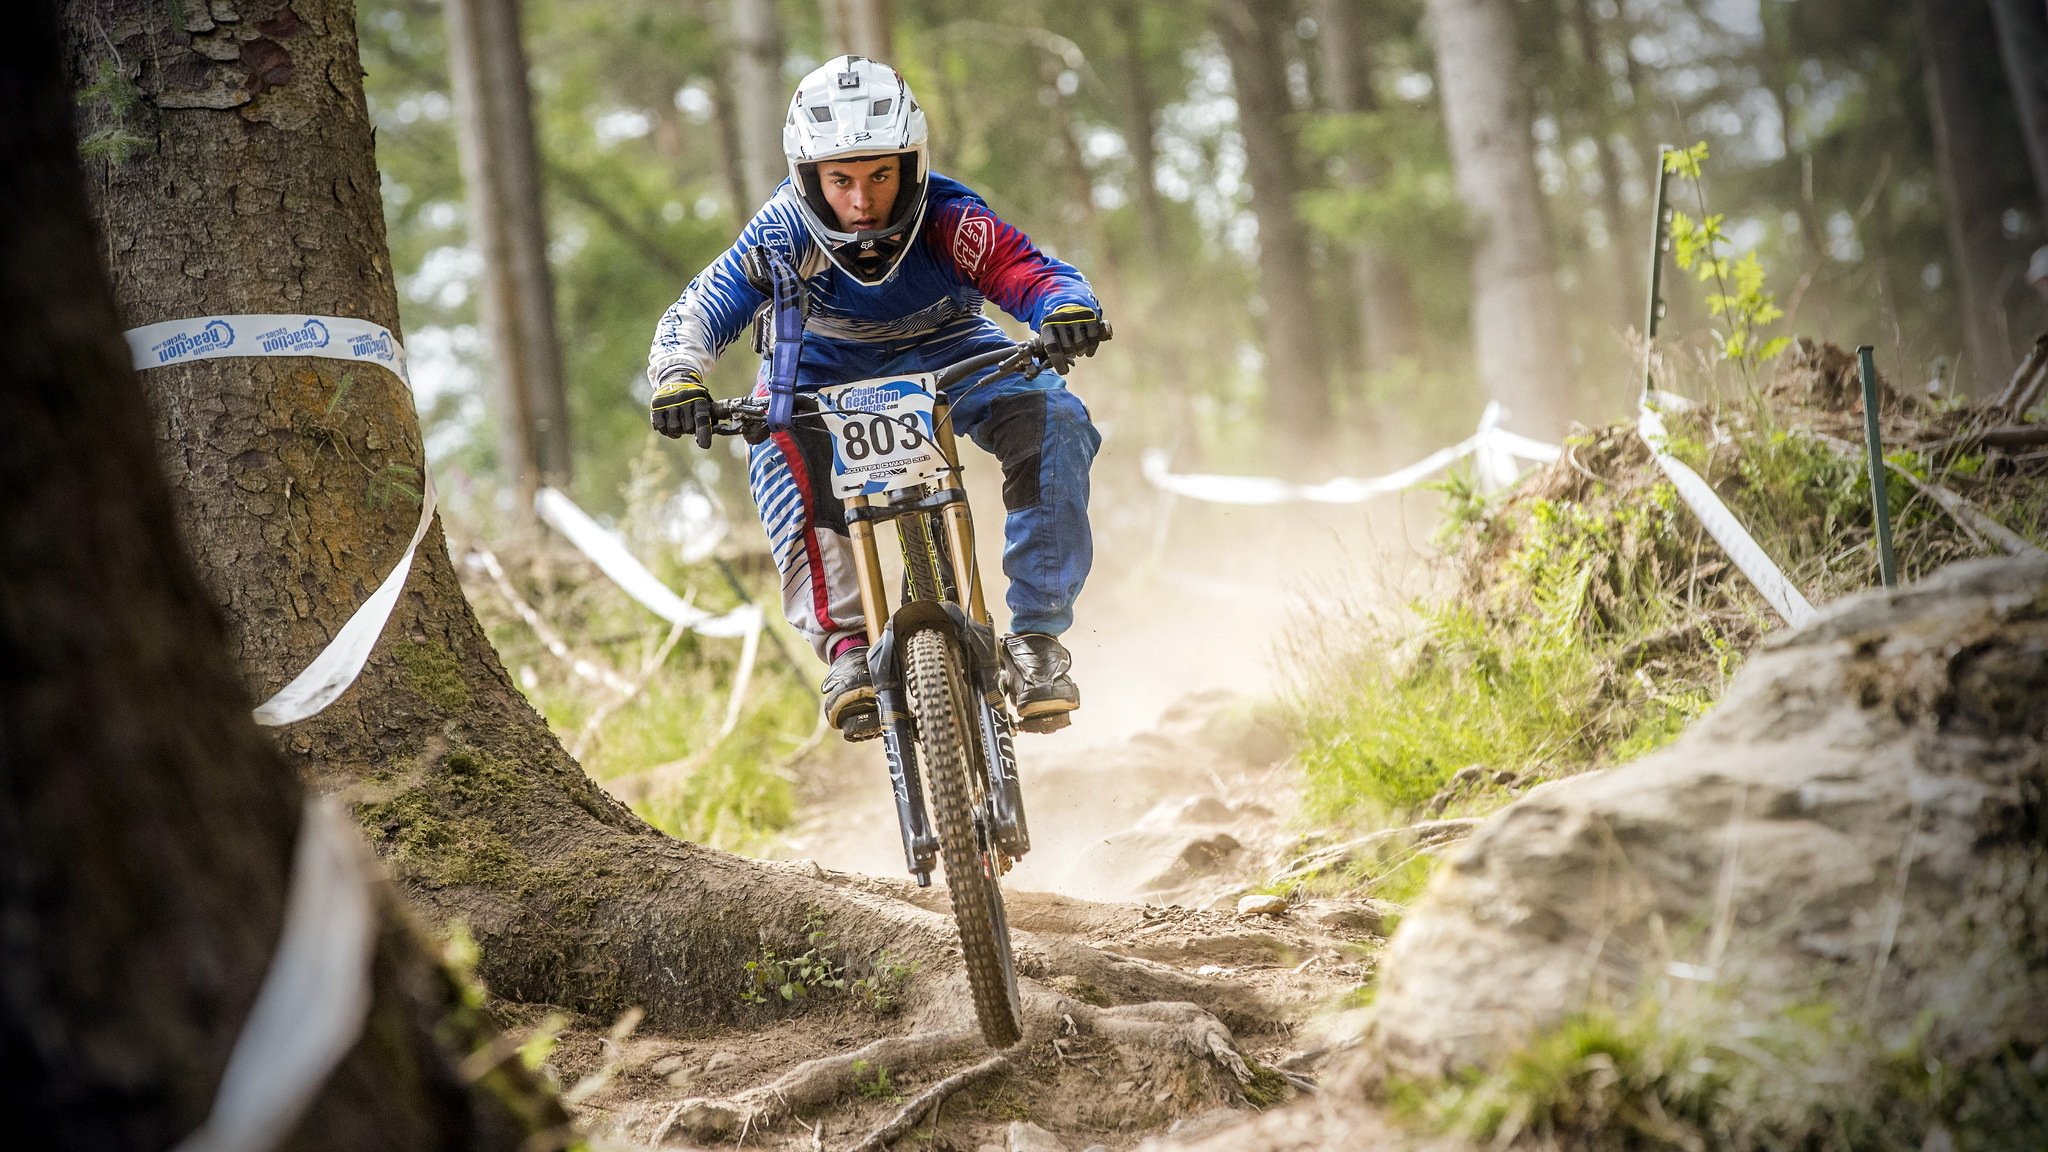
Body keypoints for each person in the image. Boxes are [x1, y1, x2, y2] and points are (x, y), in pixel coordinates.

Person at [646, 56, 1109, 741]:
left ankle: (1039, 638)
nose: (862, 203)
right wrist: (679, 376)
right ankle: (848, 650)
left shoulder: (951, 220)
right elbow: (704, 306)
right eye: (841, 181)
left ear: (911, 167)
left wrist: (1066, 309)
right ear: (809, 178)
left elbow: (1027, 271)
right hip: (817, 370)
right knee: (773, 442)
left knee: (1059, 418)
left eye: (880, 177)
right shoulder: (780, 234)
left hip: (952, 348)